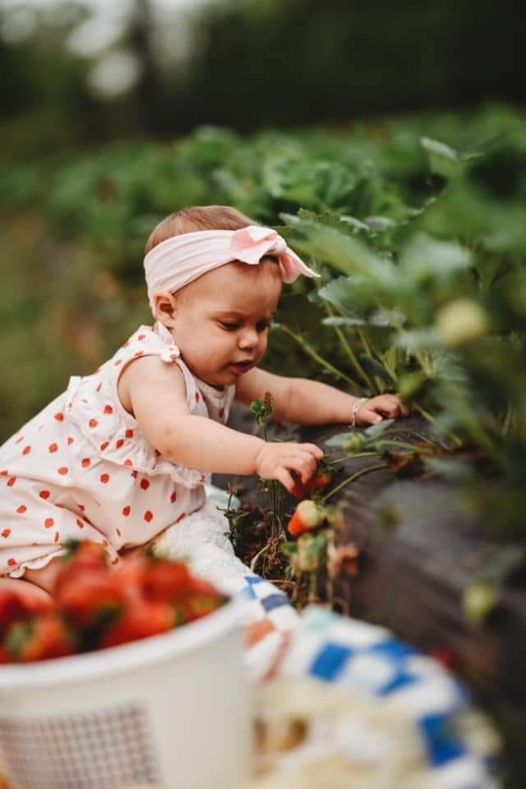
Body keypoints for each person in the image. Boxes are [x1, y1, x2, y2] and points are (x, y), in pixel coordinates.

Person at [0, 205, 406, 608]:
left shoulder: (219, 365)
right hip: (37, 506)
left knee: (110, 591)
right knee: (74, 597)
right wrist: (261, 453)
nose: (250, 340)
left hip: (94, 509)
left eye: (262, 324)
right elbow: (175, 435)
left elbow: (289, 394)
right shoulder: (151, 368)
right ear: (167, 309)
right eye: (231, 325)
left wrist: (356, 407)